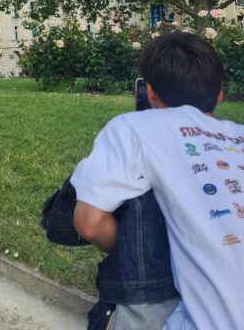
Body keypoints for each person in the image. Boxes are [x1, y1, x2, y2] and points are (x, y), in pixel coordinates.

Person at [71, 31, 244, 330]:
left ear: (150, 93)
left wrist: (129, 245)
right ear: (219, 96)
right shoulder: (238, 134)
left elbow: (89, 223)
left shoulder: (133, 127)